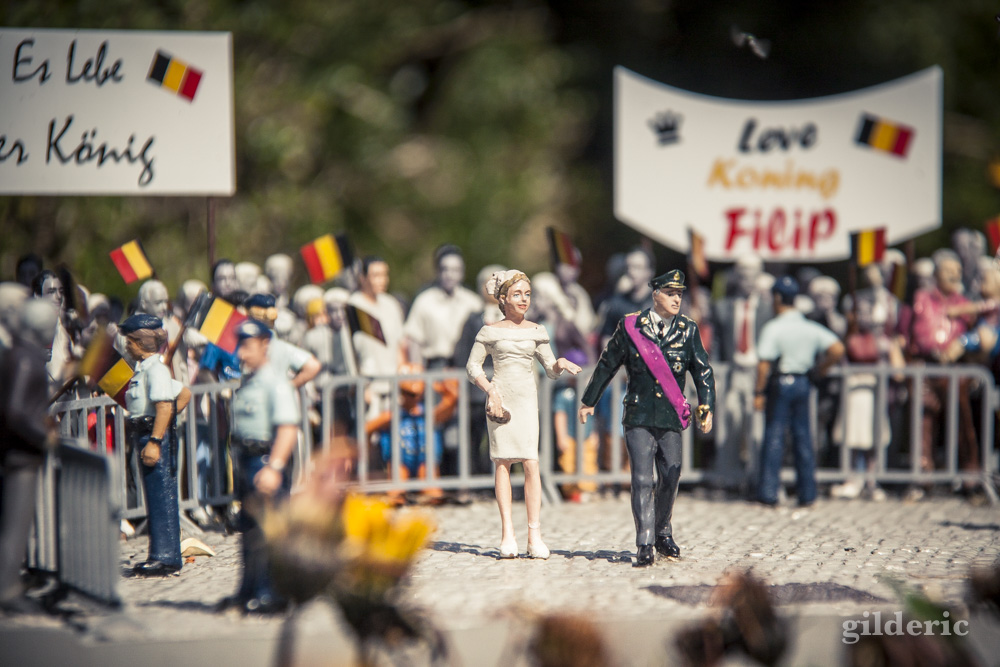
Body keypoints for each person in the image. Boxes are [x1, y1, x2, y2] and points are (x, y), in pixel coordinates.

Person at [579, 269, 715, 567]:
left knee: (672, 472)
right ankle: (644, 541)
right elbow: (607, 364)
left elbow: (702, 370)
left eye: (679, 294)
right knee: (642, 479)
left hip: (670, 415)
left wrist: (706, 406)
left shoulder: (688, 330)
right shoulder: (631, 327)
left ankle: (662, 530)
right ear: (656, 295)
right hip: (639, 414)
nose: (676, 299)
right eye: (670, 293)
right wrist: (589, 400)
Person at [466, 269, 581, 559]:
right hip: (501, 399)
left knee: (531, 462)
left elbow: (550, 369)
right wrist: (489, 389)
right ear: (503, 298)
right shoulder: (490, 331)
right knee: (502, 462)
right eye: (517, 294)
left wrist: (561, 364)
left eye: (527, 294)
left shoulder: (537, 331)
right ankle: (507, 533)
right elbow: (473, 367)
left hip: (527, 401)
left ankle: (534, 534)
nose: (523, 300)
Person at [220, 319, 300, 615]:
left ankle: (271, 592)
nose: (241, 353)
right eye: (239, 345)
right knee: (250, 530)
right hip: (246, 462)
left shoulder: (275, 383)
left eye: (247, 346)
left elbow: (288, 429)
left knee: (269, 532)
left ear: (265, 345)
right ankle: (249, 589)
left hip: (265, 461)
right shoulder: (251, 382)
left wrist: (275, 467)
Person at [753, 276, 844, 508]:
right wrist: (820, 369)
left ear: (777, 298)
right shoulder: (809, 327)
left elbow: (764, 364)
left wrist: (759, 392)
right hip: (803, 382)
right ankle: (807, 492)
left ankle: (769, 491)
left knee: (774, 435)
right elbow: (837, 348)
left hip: (781, 382)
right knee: (803, 436)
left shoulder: (774, 327)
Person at [121, 314, 192, 576]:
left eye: (129, 340)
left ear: (139, 342)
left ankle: (166, 556)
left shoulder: (156, 370)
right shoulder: (144, 370)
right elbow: (183, 393)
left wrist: (156, 439)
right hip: (144, 433)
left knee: (162, 496)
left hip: (152, 436)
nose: (126, 346)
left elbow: (164, 405)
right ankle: (159, 552)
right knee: (154, 496)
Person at [0, 299, 58, 612]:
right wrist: (42, 435)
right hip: (20, 455)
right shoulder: (25, 359)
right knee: (15, 526)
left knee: (16, 525)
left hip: (20, 452)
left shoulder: (19, 354)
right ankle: (7, 590)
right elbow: (16, 410)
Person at [710, 254, 770, 495]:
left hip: (757, 372)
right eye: (742, 273)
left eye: (752, 273)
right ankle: (729, 478)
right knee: (730, 423)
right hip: (733, 372)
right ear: (736, 276)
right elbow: (715, 342)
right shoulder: (723, 306)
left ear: (759, 276)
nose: (747, 279)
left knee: (756, 427)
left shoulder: (767, 308)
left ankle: (755, 477)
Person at [348, 256, 406, 422]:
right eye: (376, 275)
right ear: (362, 278)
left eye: (384, 275)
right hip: (369, 387)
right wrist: (361, 386)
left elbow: (398, 346)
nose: (382, 280)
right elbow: (351, 351)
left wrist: (402, 382)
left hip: (392, 386)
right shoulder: (354, 306)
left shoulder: (391, 304)